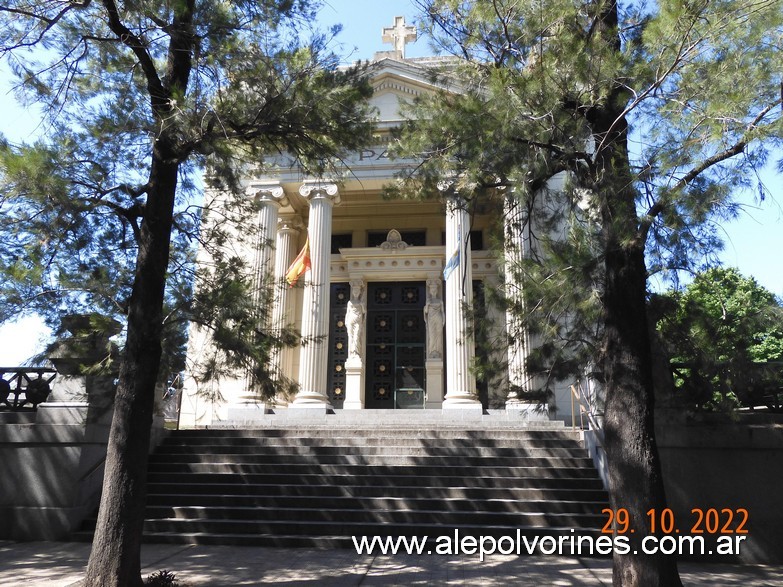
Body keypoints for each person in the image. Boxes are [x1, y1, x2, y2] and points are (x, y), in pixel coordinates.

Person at [423, 281, 444, 359]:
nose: (433, 290)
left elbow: (442, 312)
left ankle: (437, 352)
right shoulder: (428, 301)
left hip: (438, 318)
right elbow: (426, 312)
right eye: (432, 289)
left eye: (435, 289)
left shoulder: (440, 301)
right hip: (431, 319)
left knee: (438, 335)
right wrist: (427, 305)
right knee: (432, 335)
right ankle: (432, 351)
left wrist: (443, 320)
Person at [345, 281, 366, 359]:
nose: (356, 292)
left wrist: (362, 305)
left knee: (357, 336)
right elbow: (348, 313)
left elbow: (364, 312)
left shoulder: (361, 302)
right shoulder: (350, 303)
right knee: (350, 336)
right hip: (351, 320)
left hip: (358, 320)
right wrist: (346, 322)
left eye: (357, 291)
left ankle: (356, 352)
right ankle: (352, 353)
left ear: (360, 292)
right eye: (354, 291)